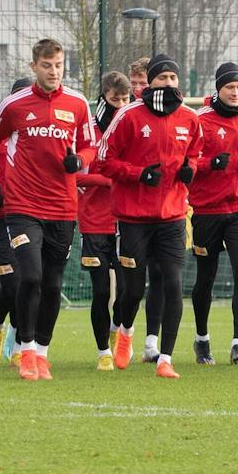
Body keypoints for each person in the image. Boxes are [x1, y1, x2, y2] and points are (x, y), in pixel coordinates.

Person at [0, 39, 96, 381]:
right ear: (34, 66)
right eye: (47, 65)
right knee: (29, 276)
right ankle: (26, 349)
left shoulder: (77, 103)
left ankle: (43, 353)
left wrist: (81, 161)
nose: (54, 71)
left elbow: (91, 146)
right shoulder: (15, 105)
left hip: (62, 207)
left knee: (51, 283)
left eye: (59, 64)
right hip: (22, 205)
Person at [95, 54, 203, 379]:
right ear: (151, 81)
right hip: (133, 218)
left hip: (172, 216)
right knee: (132, 291)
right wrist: (138, 174)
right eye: (162, 78)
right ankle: (126, 330)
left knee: (173, 283)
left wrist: (191, 169)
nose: (168, 83)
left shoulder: (189, 118)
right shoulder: (129, 115)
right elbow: (103, 159)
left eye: (173, 78)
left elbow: (195, 152)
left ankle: (165, 358)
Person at [189, 61, 238, 366]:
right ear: (218, 89)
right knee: (206, 278)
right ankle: (202, 339)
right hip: (208, 210)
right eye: (229, 87)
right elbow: (189, 160)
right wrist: (210, 165)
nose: (235, 93)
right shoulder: (200, 120)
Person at [77, 73, 132, 369]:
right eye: (115, 100)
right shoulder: (89, 132)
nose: (121, 105)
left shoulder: (132, 127)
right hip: (94, 222)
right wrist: (110, 180)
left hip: (126, 222)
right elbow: (77, 175)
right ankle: (102, 352)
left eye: (125, 100)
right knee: (100, 291)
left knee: (127, 291)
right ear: (103, 98)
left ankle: (117, 332)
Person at [0, 77, 32, 364]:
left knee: (31, 281)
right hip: (6, 220)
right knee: (10, 285)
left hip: (33, 217)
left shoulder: (39, 139)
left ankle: (19, 343)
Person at [127, 56, 163, 365]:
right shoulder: (120, 114)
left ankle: (152, 342)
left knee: (162, 276)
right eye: (134, 83)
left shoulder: (175, 115)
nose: (139, 88)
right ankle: (122, 330)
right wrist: (138, 174)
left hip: (166, 213)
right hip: (127, 213)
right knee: (131, 283)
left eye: (143, 82)